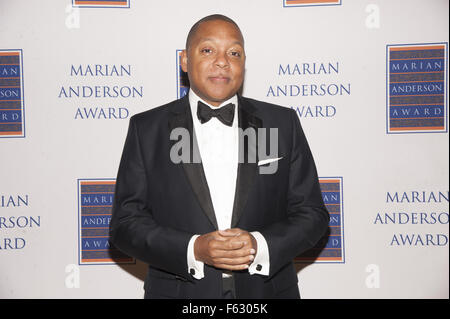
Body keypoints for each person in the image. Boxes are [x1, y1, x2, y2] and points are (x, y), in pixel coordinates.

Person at [109, 14, 329, 299]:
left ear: (243, 63)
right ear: (185, 62)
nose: (222, 61)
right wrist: (194, 249)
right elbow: (125, 225)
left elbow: (312, 215)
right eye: (208, 50)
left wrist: (258, 245)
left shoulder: (281, 124)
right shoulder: (147, 129)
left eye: (234, 53)